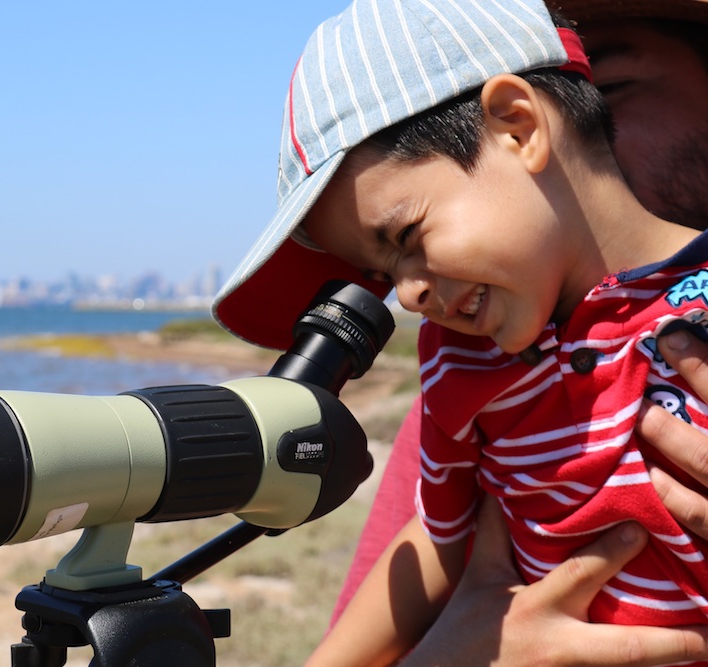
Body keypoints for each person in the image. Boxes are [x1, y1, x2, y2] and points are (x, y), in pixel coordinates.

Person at [208, 0, 708, 664]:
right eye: (384, 268)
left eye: (406, 237)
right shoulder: (461, 365)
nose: (408, 292)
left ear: (518, 125)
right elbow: (439, 537)